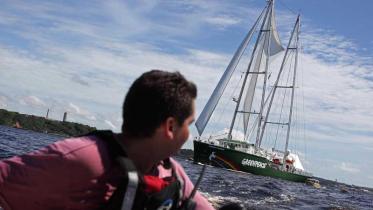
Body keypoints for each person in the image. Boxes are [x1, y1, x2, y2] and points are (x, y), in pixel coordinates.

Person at [0, 70, 215, 210]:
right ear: (170, 127)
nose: (189, 134)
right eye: (188, 124)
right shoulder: (84, 159)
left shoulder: (173, 173)